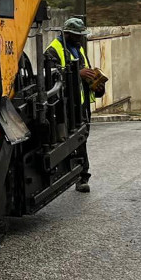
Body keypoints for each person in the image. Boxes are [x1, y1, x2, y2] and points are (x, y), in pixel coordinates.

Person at [48, 17, 97, 193]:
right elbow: (53, 78)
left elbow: (86, 71)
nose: (79, 38)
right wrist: (79, 73)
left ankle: (81, 175)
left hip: (81, 104)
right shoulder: (53, 50)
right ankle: (78, 176)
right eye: (77, 35)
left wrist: (95, 80)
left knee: (81, 139)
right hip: (65, 106)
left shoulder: (78, 48)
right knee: (70, 141)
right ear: (66, 33)